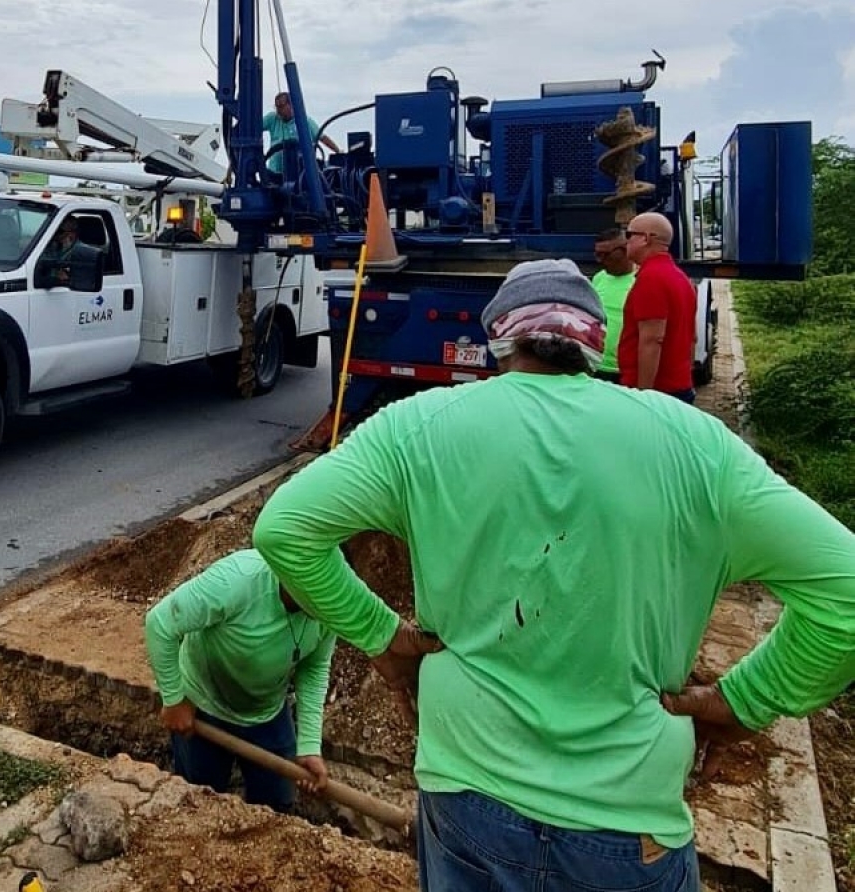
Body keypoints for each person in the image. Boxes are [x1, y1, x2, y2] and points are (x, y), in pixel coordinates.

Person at [251, 258, 855, 892]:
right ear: (594, 343)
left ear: (499, 340)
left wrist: (383, 638)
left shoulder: (418, 428)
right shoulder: (697, 447)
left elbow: (285, 530)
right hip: (627, 827)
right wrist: (743, 702)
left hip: (466, 800)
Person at [143, 548, 337, 812]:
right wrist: (174, 698)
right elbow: (160, 623)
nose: (326, 605)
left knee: (277, 809)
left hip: (267, 713)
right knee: (199, 803)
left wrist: (310, 745)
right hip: (204, 706)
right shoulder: (238, 580)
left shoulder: (329, 606)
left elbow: (314, 668)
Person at [616, 212, 698, 402]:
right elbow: (692, 337)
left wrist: (645, 396)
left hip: (658, 392)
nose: (624, 242)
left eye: (629, 235)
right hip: (679, 386)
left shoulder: (651, 279)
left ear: (645, 238)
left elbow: (652, 340)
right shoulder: (681, 278)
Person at [590, 227, 636, 383]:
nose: (600, 261)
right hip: (597, 367)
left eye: (606, 255)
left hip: (627, 371)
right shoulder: (599, 278)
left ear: (625, 250)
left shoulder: (642, 280)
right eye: (597, 255)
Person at [263, 92, 341, 175]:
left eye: (281, 106)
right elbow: (254, 127)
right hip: (274, 173)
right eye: (276, 107)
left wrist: (338, 152)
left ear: (291, 105)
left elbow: (323, 138)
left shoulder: (305, 122)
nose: (278, 110)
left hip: (298, 175)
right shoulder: (272, 119)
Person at [45, 217, 98, 288]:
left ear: (72, 234)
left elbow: (81, 279)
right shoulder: (52, 246)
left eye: (59, 231)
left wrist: (67, 276)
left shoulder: (82, 252)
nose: (55, 234)